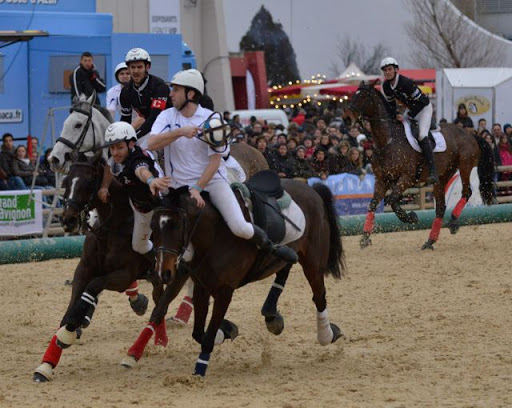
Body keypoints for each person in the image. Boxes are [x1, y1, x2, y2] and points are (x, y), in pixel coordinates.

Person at [146, 68, 298, 264]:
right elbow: (151, 143)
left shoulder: (212, 119)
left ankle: (271, 247)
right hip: (178, 188)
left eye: (176, 90)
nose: (171, 94)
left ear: (190, 94)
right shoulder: (166, 116)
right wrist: (180, 132)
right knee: (171, 235)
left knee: (239, 227)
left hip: (212, 183)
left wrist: (197, 188)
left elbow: (215, 161)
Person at [98, 122, 170, 269]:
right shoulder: (115, 157)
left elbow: (141, 170)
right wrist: (104, 187)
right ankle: (155, 266)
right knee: (139, 246)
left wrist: (150, 180)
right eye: (112, 148)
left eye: (119, 147)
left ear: (131, 144)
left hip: (158, 205)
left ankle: (168, 266)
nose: (115, 152)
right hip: (137, 205)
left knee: (173, 245)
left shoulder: (138, 158)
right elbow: (109, 166)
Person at [380, 57, 439, 184]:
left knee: (422, 135)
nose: (387, 72)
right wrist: (395, 115)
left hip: (423, 109)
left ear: (396, 70)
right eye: (385, 70)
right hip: (410, 110)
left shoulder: (405, 82)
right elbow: (391, 105)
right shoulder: (386, 86)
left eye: (389, 69)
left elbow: (421, 102)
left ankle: (433, 171)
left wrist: (408, 116)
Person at [119, 48, 172, 141]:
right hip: (148, 127)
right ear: (128, 69)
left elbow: (154, 118)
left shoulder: (159, 86)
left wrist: (134, 136)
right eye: (132, 67)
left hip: (169, 125)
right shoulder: (126, 91)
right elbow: (125, 119)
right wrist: (120, 136)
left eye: (139, 67)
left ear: (147, 67)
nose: (136, 71)